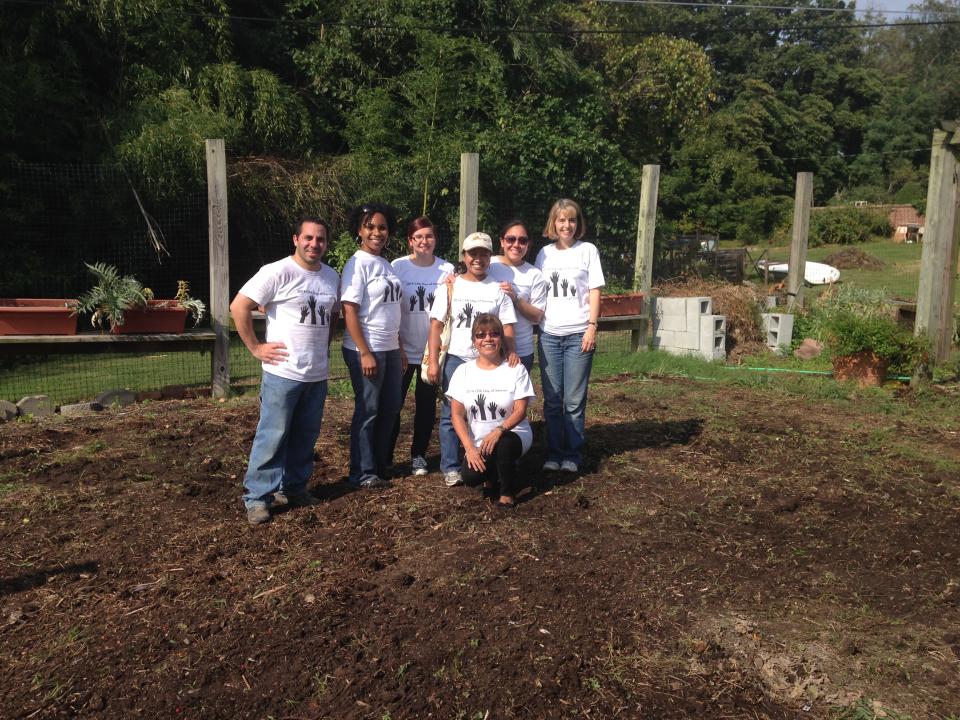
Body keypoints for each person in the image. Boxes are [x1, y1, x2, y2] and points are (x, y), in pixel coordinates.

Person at [232, 216, 340, 525]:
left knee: (306, 435)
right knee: (273, 434)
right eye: (308, 238)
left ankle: (294, 488)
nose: (314, 244)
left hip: (316, 374)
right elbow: (239, 307)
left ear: (325, 244)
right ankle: (257, 497)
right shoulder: (277, 271)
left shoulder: (331, 276)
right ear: (296, 240)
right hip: (283, 373)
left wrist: (323, 344)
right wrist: (256, 347)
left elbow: (333, 315)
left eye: (320, 239)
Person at [427, 231, 518, 488]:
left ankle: (491, 461)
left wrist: (510, 351)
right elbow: (436, 325)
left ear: (490, 257)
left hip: (488, 360)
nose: (478, 258)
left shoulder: (497, 289)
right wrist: (434, 361)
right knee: (451, 413)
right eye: (473, 253)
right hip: (457, 358)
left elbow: (508, 326)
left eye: (484, 253)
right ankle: (451, 466)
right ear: (464, 257)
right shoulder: (451, 286)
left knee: (487, 410)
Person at [534, 199, 605, 474]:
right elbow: (536, 290)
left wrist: (592, 326)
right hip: (550, 334)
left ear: (578, 223)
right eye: (561, 220)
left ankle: (572, 453)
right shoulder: (544, 254)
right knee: (552, 399)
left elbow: (595, 290)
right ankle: (553, 451)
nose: (567, 225)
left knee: (574, 400)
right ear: (553, 223)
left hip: (578, 334)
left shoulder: (587, 251)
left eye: (572, 220)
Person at [340, 203, 405, 489]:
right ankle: (362, 472)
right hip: (367, 348)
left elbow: (392, 309)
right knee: (368, 411)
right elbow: (350, 310)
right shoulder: (357, 264)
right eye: (370, 226)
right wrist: (365, 351)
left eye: (382, 227)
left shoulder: (386, 264)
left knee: (391, 408)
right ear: (359, 230)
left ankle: (379, 465)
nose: (377, 232)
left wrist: (399, 347)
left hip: (390, 347)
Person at [446, 314, 535, 509]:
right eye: (481, 335)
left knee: (503, 444)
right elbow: (456, 415)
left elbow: (520, 411)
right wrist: (469, 448)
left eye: (494, 334)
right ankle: (492, 476)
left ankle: (507, 493)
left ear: (501, 339)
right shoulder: (463, 371)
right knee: (470, 477)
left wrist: (499, 430)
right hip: (480, 440)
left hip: (513, 433)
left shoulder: (515, 369)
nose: (487, 339)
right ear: (474, 341)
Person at [389, 217, 455, 476]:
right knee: (394, 404)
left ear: (435, 239)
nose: (424, 241)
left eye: (429, 236)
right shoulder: (398, 267)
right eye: (418, 237)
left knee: (426, 407)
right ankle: (386, 457)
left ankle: (418, 456)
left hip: (431, 351)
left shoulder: (446, 269)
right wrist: (398, 345)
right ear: (410, 241)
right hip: (403, 348)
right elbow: (389, 308)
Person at [487, 218, 548, 374]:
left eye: (522, 240)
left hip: (520, 350)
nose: (516, 244)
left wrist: (515, 298)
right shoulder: (489, 265)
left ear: (528, 244)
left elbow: (537, 316)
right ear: (501, 241)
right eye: (510, 239)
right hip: (487, 348)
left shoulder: (534, 274)